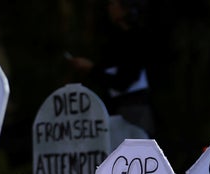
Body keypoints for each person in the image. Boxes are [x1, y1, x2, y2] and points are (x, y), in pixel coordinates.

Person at [65, 0, 155, 136]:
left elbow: (123, 81)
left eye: (113, 3)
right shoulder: (115, 39)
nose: (109, 8)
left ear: (125, 9)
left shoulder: (136, 40)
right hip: (117, 109)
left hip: (133, 110)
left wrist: (91, 69)